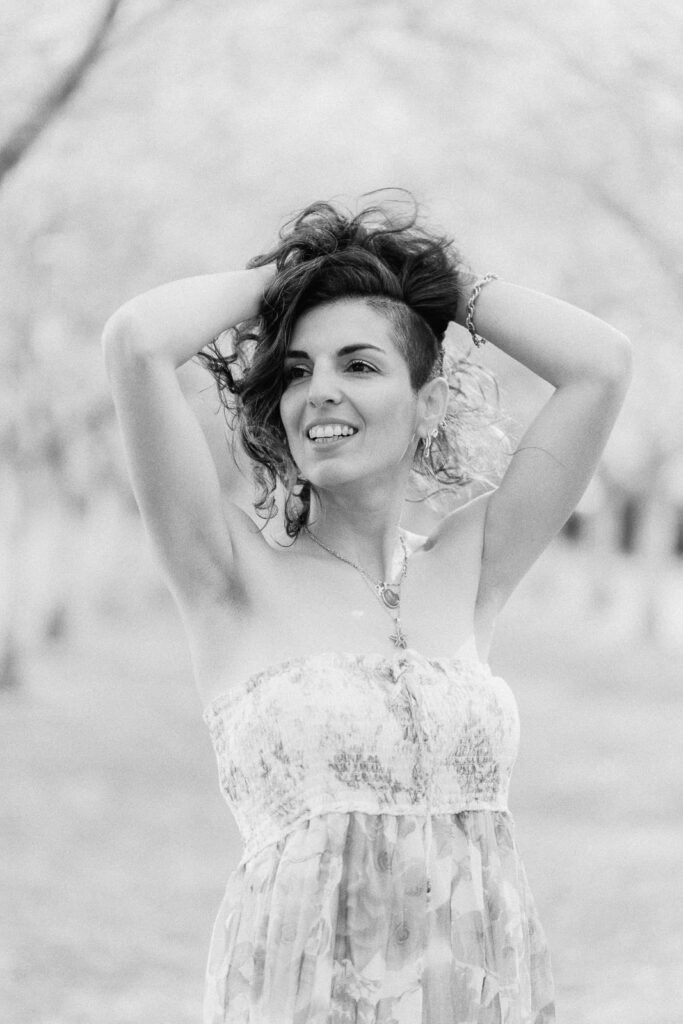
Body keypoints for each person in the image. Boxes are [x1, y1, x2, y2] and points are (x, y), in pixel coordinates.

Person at [102, 192, 632, 1023]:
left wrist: (432, 285)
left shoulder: (473, 562)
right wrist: (294, 275)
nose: (319, 391)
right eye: (297, 371)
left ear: (428, 404)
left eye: (358, 365)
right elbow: (136, 341)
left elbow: (600, 364)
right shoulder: (228, 574)